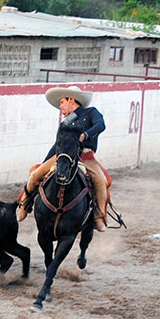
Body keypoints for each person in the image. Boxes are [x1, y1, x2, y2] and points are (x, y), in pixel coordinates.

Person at [17, 86, 109, 232]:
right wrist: (45, 162)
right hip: (62, 156)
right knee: (35, 174)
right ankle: (24, 204)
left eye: (61, 102)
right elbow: (57, 145)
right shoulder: (65, 123)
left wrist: (85, 135)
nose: (60, 107)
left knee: (100, 181)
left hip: (85, 156)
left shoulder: (91, 112)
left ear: (71, 100)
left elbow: (101, 125)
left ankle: (99, 215)